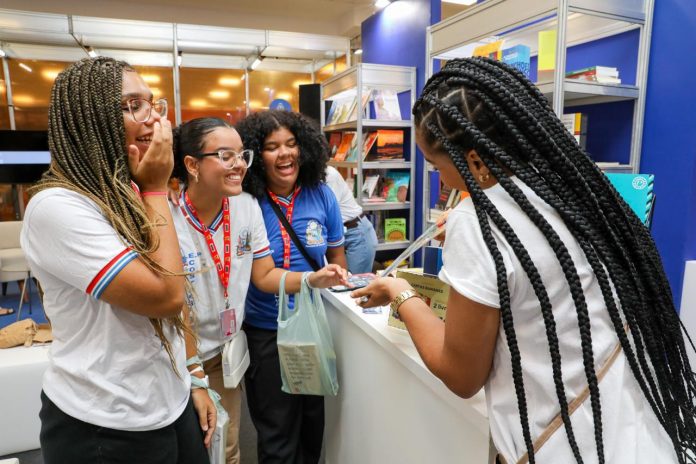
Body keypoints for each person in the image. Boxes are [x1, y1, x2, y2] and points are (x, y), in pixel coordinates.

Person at [353, 57, 695, 464]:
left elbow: (461, 374)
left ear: (475, 160)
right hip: (642, 439)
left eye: (437, 166)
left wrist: (400, 291)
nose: (441, 181)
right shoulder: (579, 189)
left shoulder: (478, 223)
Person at [20, 57, 210, 464]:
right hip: (105, 425)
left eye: (153, 104)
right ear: (88, 121)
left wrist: (194, 375)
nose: (154, 119)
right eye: (132, 105)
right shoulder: (57, 206)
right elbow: (165, 296)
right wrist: (158, 189)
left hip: (169, 402)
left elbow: (183, 295)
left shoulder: (136, 192)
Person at [170, 117, 348, 464]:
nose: (237, 163)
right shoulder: (173, 213)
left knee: (233, 443)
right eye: (226, 155)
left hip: (247, 342)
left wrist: (317, 280)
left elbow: (265, 273)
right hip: (227, 341)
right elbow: (177, 301)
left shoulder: (246, 206)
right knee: (226, 439)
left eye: (241, 154)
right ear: (191, 165)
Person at [236, 110, 348, 464]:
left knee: (313, 426)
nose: (285, 154)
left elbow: (337, 259)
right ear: (256, 156)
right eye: (272, 147)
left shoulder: (322, 195)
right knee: (277, 431)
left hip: (313, 329)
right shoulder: (246, 203)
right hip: (267, 331)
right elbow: (260, 277)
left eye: (291, 144)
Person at [324, 165, 378, 274]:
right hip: (341, 235)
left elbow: (327, 212)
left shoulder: (329, 174)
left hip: (356, 233)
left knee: (353, 286)